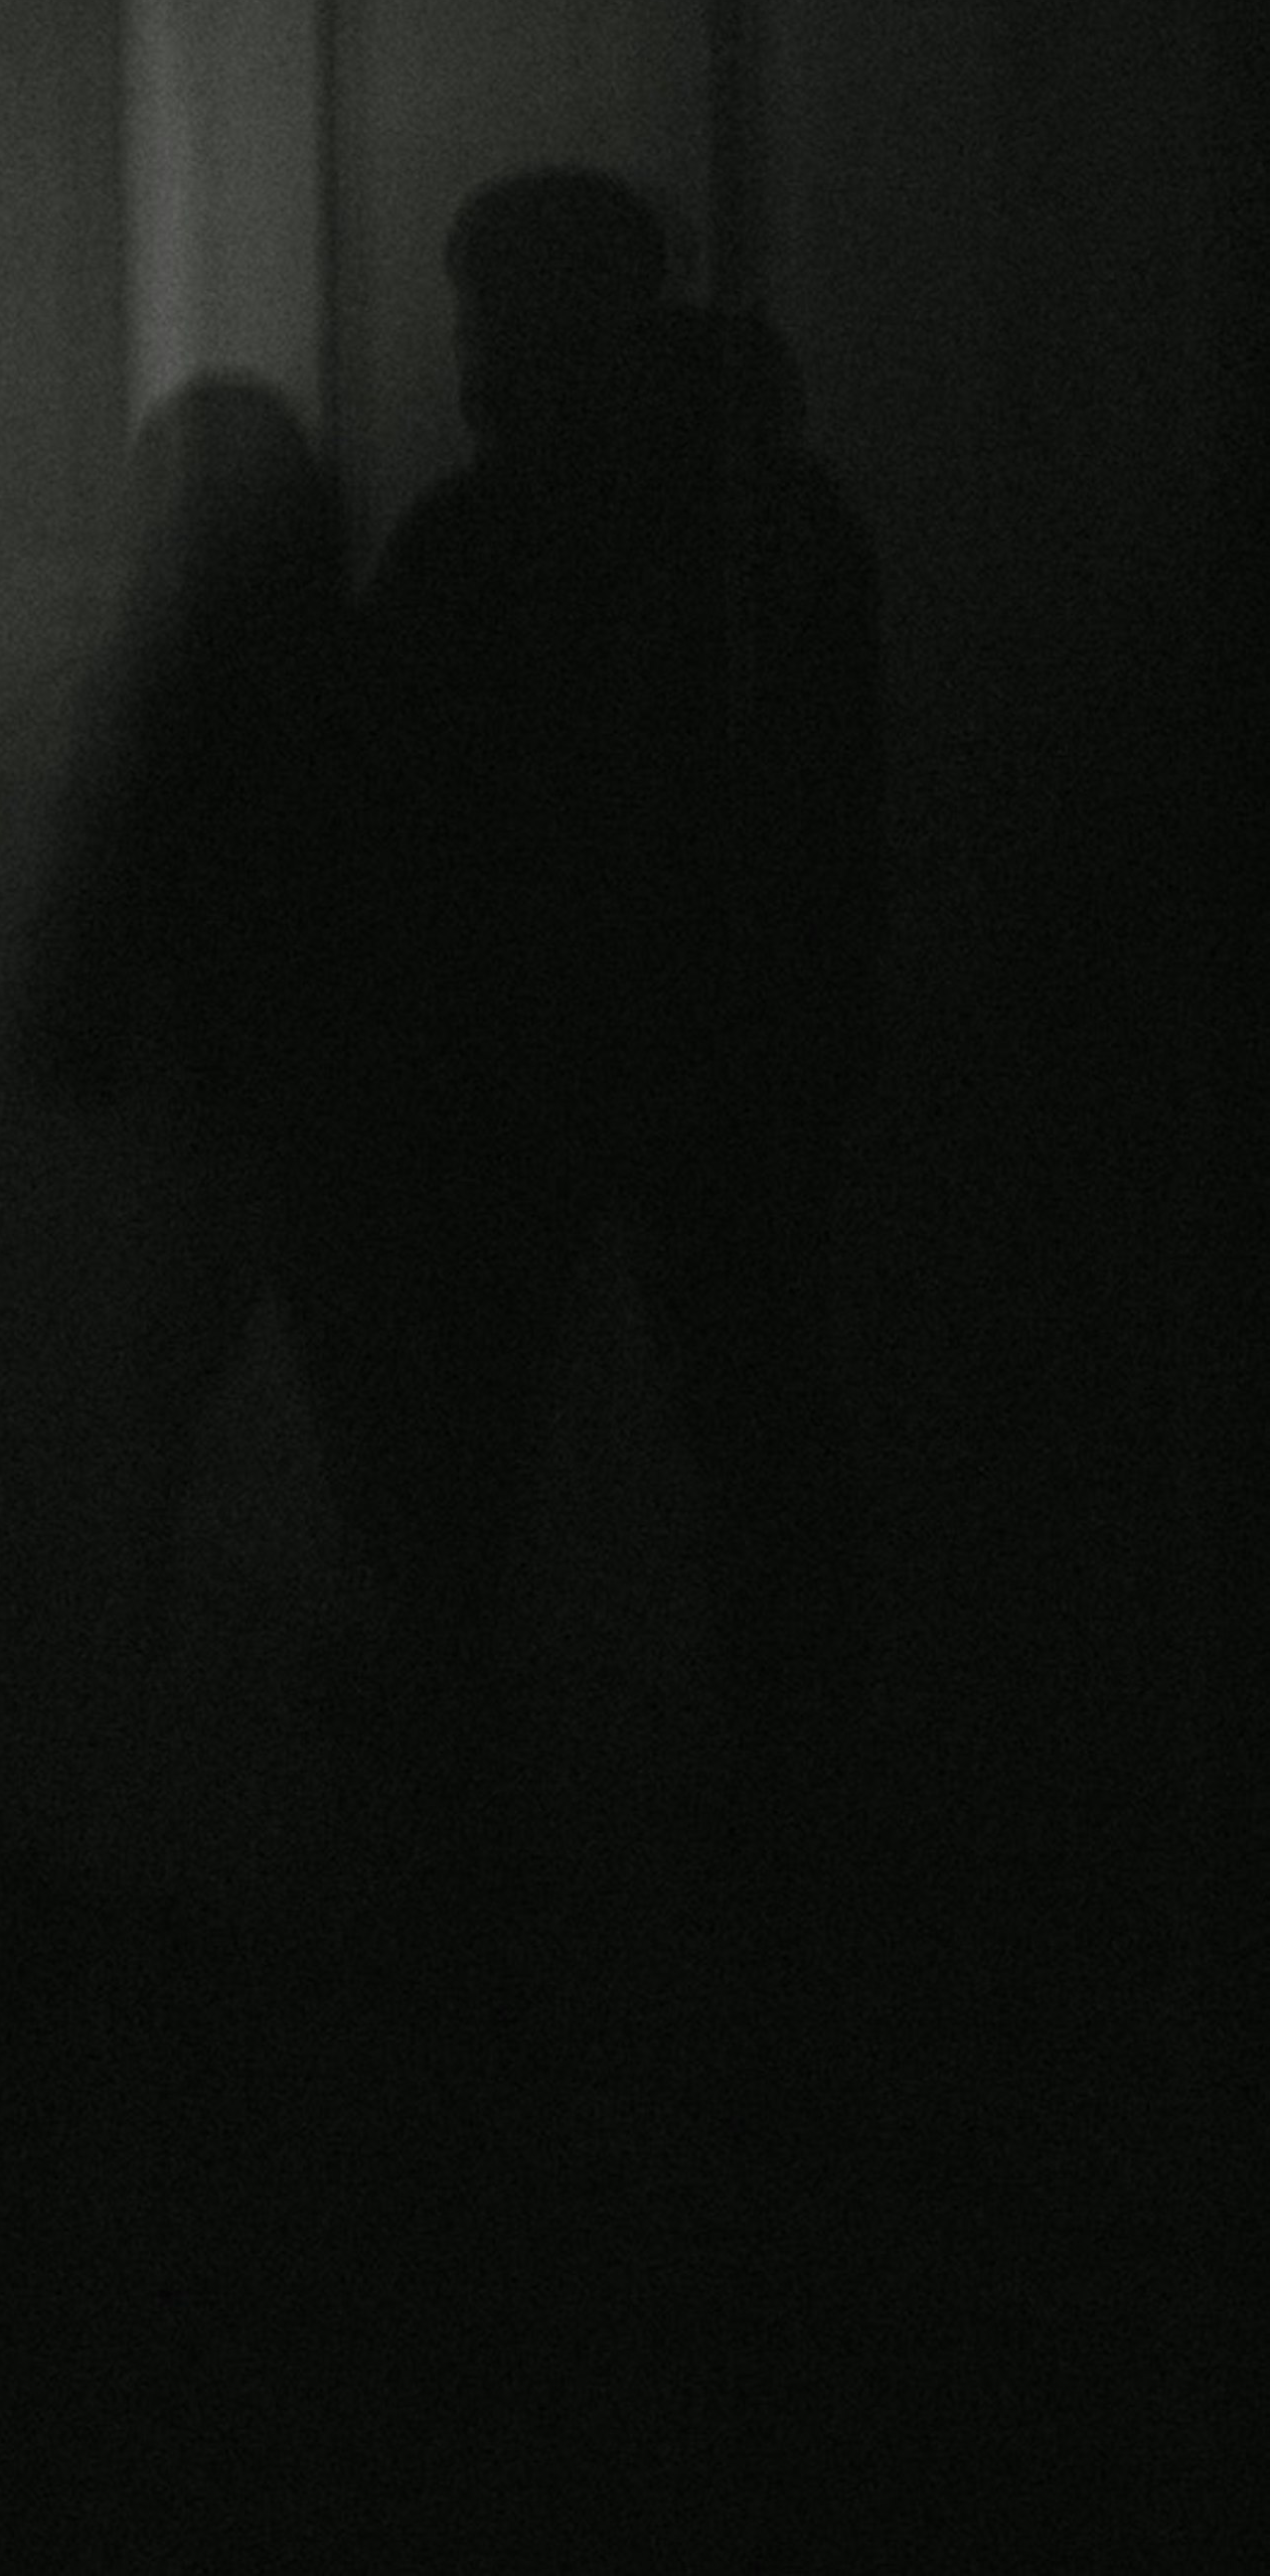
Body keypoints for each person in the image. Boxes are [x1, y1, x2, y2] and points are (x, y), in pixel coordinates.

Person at [350, 171, 882, 1865]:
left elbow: (401, 811)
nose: (465, 346)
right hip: (721, 1048)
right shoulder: (775, 520)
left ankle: (451, 1781)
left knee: (472, 1439)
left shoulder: (480, 533)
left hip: (522, 1056)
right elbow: (831, 809)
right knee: (752, 1428)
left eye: (482, 307)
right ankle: (785, 1789)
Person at [15, 376, 373, 1709]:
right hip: (333, 1074)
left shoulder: (160, 661)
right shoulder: (353, 649)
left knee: (158, 1378)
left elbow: (115, 856)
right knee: (359, 1399)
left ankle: (123, 1644)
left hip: (206, 1071)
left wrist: (66, 1021)